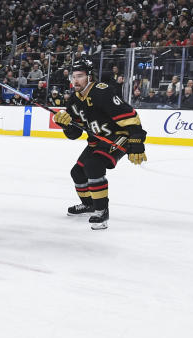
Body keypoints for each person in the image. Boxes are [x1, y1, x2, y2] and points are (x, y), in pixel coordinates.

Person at [53, 59, 147, 230]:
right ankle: (89, 205)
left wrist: (137, 143)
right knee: (77, 172)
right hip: (97, 140)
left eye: (80, 76)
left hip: (118, 136)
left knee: (93, 165)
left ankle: (101, 211)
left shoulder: (102, 92)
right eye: (73, 77)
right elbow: (74, 134)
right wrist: (65, 124)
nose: (75, 81)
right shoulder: (74, 100)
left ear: (90, 77)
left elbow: (131, 117)